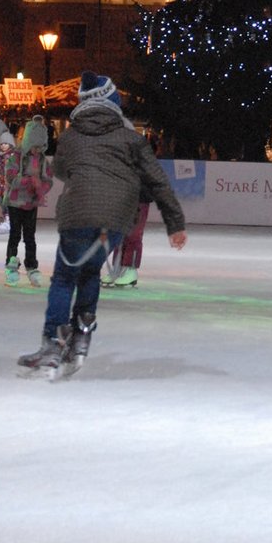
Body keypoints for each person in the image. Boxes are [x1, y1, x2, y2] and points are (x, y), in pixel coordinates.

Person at [17, 72, 187, 377]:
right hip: (116, 218)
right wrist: (175, 224)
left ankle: (53, 342)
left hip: (78, 214)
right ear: (112, 102)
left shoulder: (70, 136)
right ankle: (82, 334)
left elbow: (61, 170)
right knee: (90, 271)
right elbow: (158, 181)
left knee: (64, 278)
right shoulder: (131, 138)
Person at [1, 115, 53, 286]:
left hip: (31, 203)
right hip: (15, 203)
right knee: (15, 235)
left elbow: (48, 180)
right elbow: (10, 178)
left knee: (30, 236)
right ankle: (11, 264)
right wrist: (30, 181)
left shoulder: (43, 161)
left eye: (41, 147)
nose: (37, 151)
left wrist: (41, 188)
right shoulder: (16, 156)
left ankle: (31, 265)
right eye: (35, 147)